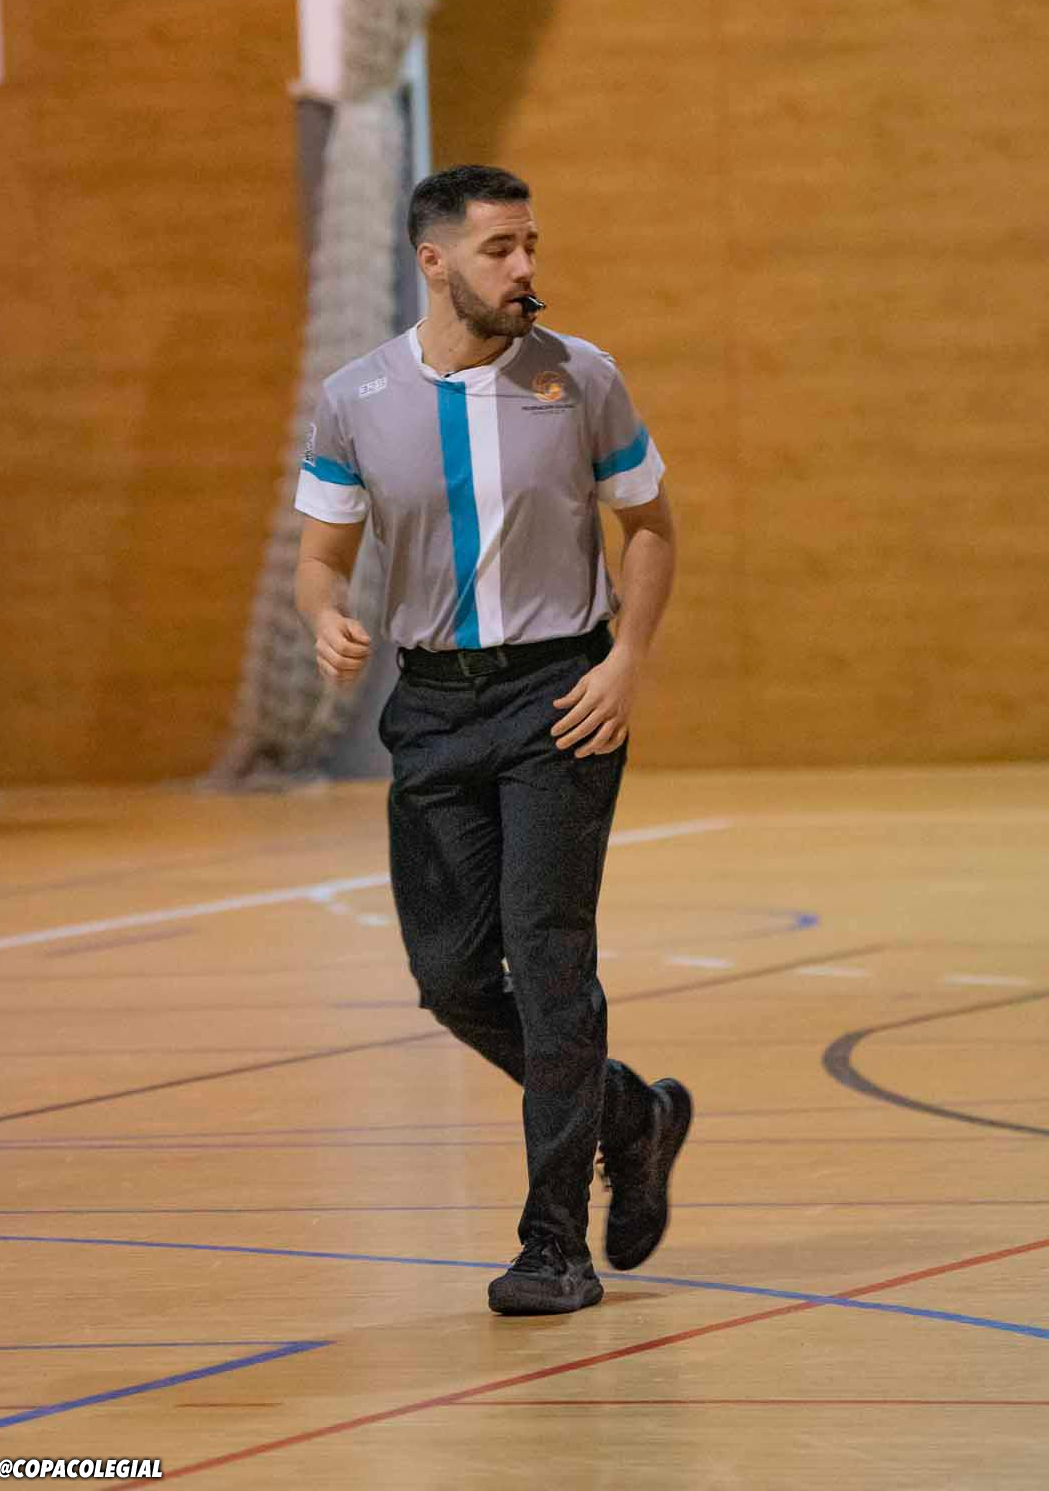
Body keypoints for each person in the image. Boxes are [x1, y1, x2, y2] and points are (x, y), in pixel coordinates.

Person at [294, 164, 692, 1315]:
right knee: (453, 978)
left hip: (560, 697)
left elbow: (651, 527)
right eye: (499, 249)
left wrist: (626, 659)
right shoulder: (356, 398)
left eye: (531, 246)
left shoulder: (581, 377)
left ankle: (553, 1244)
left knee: (550, 960)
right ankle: (631, 1113)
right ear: (434, 261)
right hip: (430, 712)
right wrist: (325, 616)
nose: (525, 269)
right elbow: (320, 557)